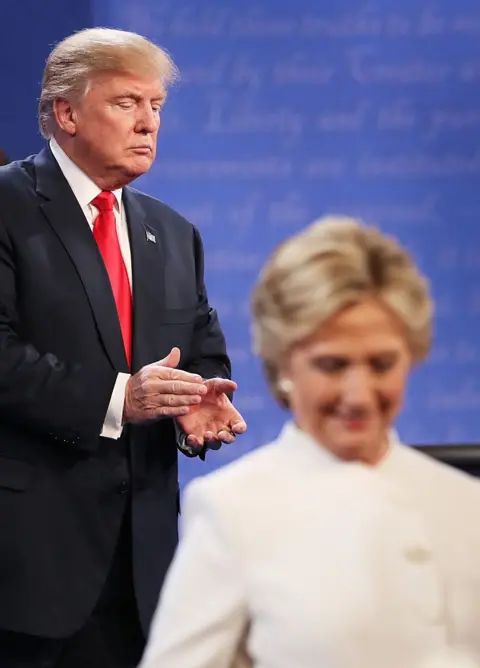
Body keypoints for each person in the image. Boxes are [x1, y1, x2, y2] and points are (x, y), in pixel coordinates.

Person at [0, 27, 246, 668]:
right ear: (66, 113)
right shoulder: (6, 207)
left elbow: (200, 346)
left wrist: (198, 400)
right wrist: (119, 399)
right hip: (27, 569)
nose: (148, 124)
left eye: (156, 107)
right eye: (126, 103)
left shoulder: (172, 231)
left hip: (144, 571)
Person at [140, 216, 480, 668]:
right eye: (332, 365)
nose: (358, 396)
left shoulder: (463, 502)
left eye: (381, 364)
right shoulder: (235, 511)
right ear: (283, 365)